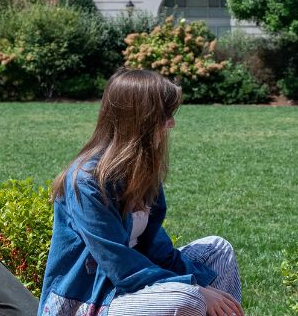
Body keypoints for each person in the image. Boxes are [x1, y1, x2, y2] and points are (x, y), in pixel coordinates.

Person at [39, 69, 244, 316]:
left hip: (132, 290)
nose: (172, 123)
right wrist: (194, 288)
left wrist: (200, 285)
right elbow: (120, 266)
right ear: (141, 120)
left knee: (217, 250)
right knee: (187, 300)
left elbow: (158, 250)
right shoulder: (86, 181)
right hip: (90, 299)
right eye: (165, 115)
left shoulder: (140, 170)